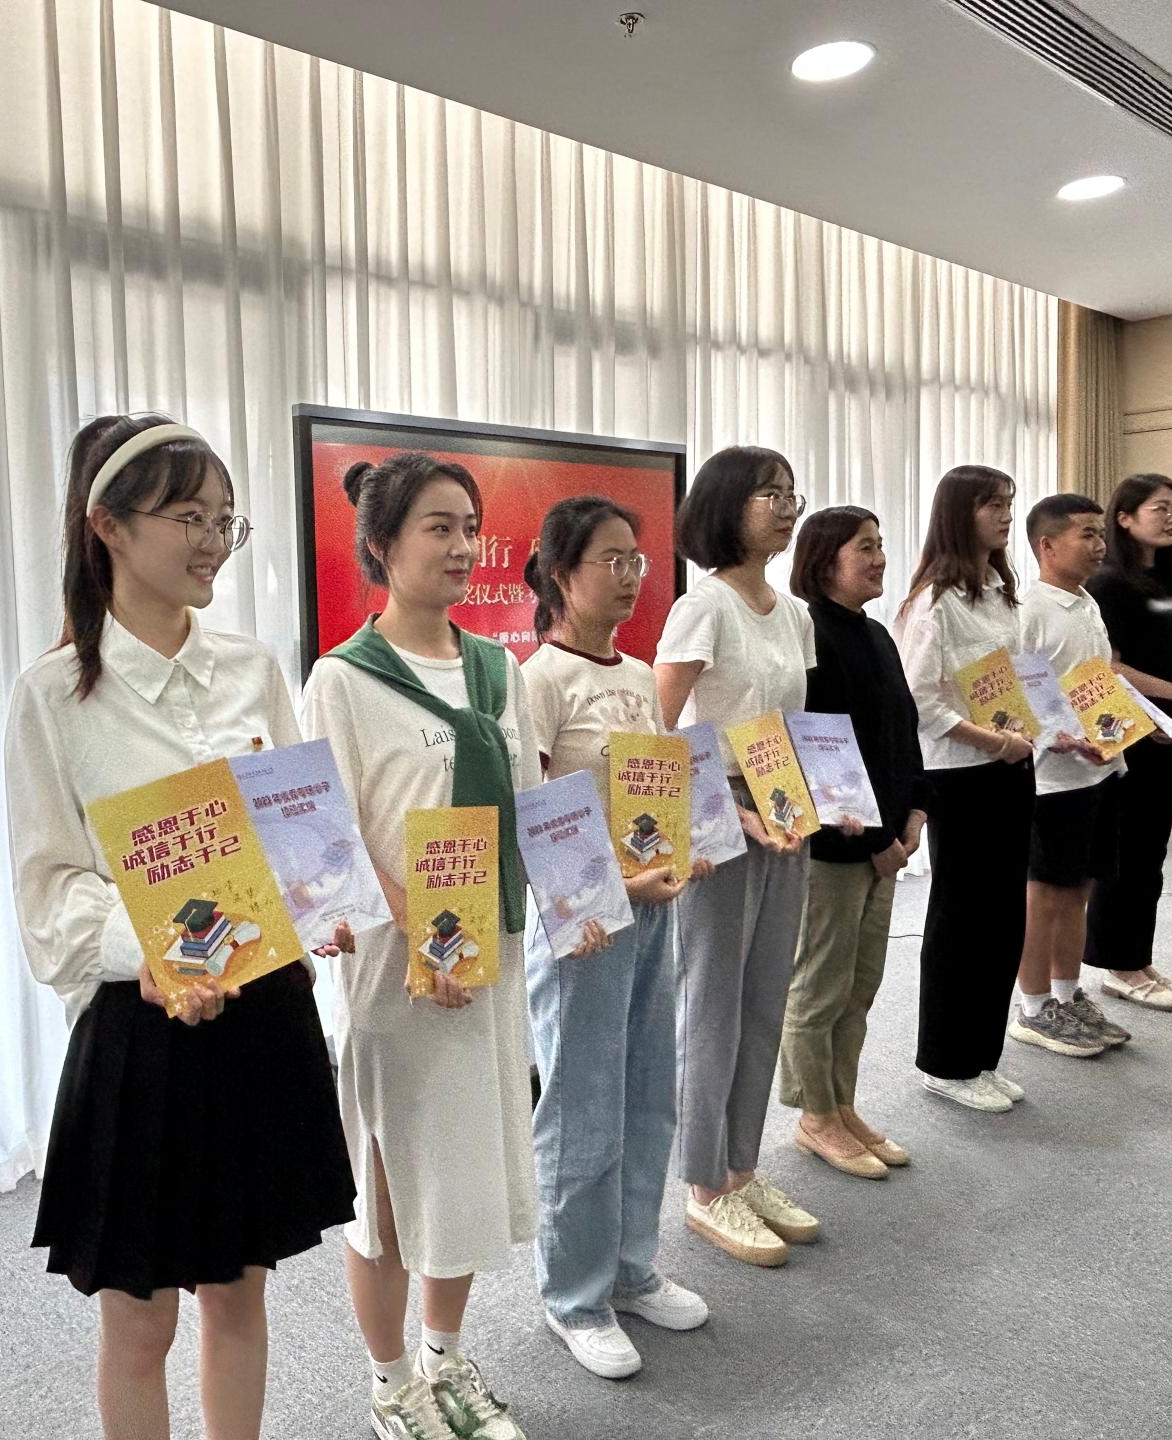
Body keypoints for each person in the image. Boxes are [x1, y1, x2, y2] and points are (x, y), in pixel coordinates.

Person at [3, 415, 355, 1440]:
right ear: (108, 525)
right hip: (144, 1032)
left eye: (224, 519)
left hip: (263, 1011)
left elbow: (300, 827)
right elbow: (48, 893)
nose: (212, 540)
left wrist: (323, 900)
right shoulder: (55, 693)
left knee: (241, 1293)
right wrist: (147, 951)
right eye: (189, 516)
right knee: (139, 1318)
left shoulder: (252, 666)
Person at [301, 451, 540, 1440]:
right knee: (393, 1180)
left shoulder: (498, 669)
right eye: (438, 527)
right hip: (400, 971)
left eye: (469, 527)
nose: (462, 546)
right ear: (383, 544)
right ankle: (391, 1380)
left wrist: (582, 895)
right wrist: (423, 934)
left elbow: (528, 804)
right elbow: (330, 834)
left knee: (469, 1169)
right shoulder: (342, 680)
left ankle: (445, 1359)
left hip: (491, 957)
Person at [518, 497, 711, 1381]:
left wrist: (690, 843)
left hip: (651, 908)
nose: (632, 575)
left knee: (646, 1096)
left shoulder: (636, 673)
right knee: (581, 1108)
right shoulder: (538, 681)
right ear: (562, 574)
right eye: (612, 559)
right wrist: (618, 885)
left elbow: (656, 791)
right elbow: (535, 821)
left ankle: (632, 1268)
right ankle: (575, 1296)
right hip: (585, 923)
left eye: (637, 559)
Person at [654, 446, 847, 1267]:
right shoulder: (702, 606)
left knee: (768, 995)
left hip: (782, 809)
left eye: (791, 493)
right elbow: (659, 734)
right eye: (770, 494)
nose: (786, 507)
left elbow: (793, 725)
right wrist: (727, 813)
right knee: (712, 1005)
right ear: (727, 505)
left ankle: (742, 1167)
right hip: (717, 815)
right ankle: (704, 1186)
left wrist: (823, 795)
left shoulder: (793, 612)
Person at [778, 505, 929, 1178]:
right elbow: (818, 753)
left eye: (880, 545)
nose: (879, 558)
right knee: (821, 986)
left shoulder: (877, 635)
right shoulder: (809, 635)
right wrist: (875, 840)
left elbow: (903, 732)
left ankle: (842, 1103)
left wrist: (915, 815)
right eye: (864, 547)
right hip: (837, 847)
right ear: (824, 559)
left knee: (860, 986)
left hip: (888, 843)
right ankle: (815, 1116)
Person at [893, 464, 1036, 1113]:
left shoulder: (1001, 592)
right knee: (962, 917)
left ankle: (982, 1055)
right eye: (991, 505)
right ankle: (946, 1062)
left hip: (1011, 766)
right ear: (959, 513)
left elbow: (1017, 680)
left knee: (1004, 916)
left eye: (1007, 503)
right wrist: (995, 742)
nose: (1005, 515)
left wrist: (1032, 732)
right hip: (960, 774)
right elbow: (920, 701)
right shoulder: (935, 601)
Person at [1084, 474, 1172, 1012]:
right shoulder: (1107, 585)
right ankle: (1118, 965)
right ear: (1124, 518)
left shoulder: (1170, 581)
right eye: (1161, 508)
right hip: (1134, 731)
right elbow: (1110, 666)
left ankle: (1137, 958)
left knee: (1151, 850)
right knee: (1126, 850)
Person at [1009, 494, 1136, 1060]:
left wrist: (1141, 724)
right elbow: (1019, 698)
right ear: (1047, 545)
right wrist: (1058, 740)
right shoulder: (1029, 610)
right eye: (1087, 534)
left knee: (1080, 889)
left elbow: (1100, 679)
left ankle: (1066, 994)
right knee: (1044, 894)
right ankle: (1034, 1007)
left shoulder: (1086, 603)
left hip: (1100, 771)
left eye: (1100, 533)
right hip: (1052, 779)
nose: (1099, 545)